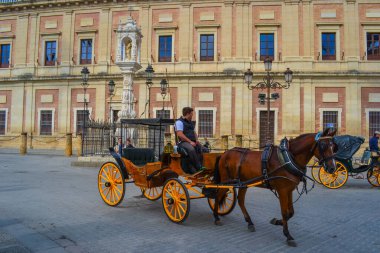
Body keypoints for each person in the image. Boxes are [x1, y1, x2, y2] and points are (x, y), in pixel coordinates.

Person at [175, 107, 204, 174]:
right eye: (191, 114)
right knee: (191, 149)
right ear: (188, 114)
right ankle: (198, 167)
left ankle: (202, 166)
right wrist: (190, 142)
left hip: (192, 141)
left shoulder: (190, 123)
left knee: (204, 149)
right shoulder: (179, 122)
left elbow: (194, 132)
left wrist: (196, 140)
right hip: (183, 142)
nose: (192, 115)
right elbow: (180, 134)